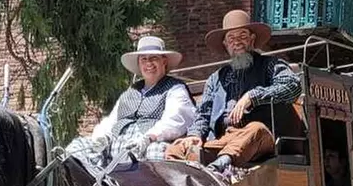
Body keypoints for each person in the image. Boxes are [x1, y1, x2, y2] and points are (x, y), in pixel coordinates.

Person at [165, 9, 303, 175]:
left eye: (242, 36)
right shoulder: (216, 78)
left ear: (252, 39)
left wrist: (253, 96)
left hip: (261, 141)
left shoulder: (270, 65)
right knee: (177, 148)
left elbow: (293, 86)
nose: (237, 42)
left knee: (256, 129)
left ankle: (218, 170)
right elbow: (203, 114)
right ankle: (193, 177)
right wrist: (194, 135)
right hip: (224, 140)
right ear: (225, 44)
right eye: (231, 38)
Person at [66, 35, 195, 169]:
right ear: (139, 63)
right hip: (115, 145)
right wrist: (102, 138)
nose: (148, 63)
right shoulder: (130, 91)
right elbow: (112, 120)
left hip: (147, 145)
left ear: (164, 61)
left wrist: (149, 137)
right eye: (144, 59)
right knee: (76, 149)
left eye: (154, 58)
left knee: (156, 152)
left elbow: (176, 119)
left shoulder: (175, 88)